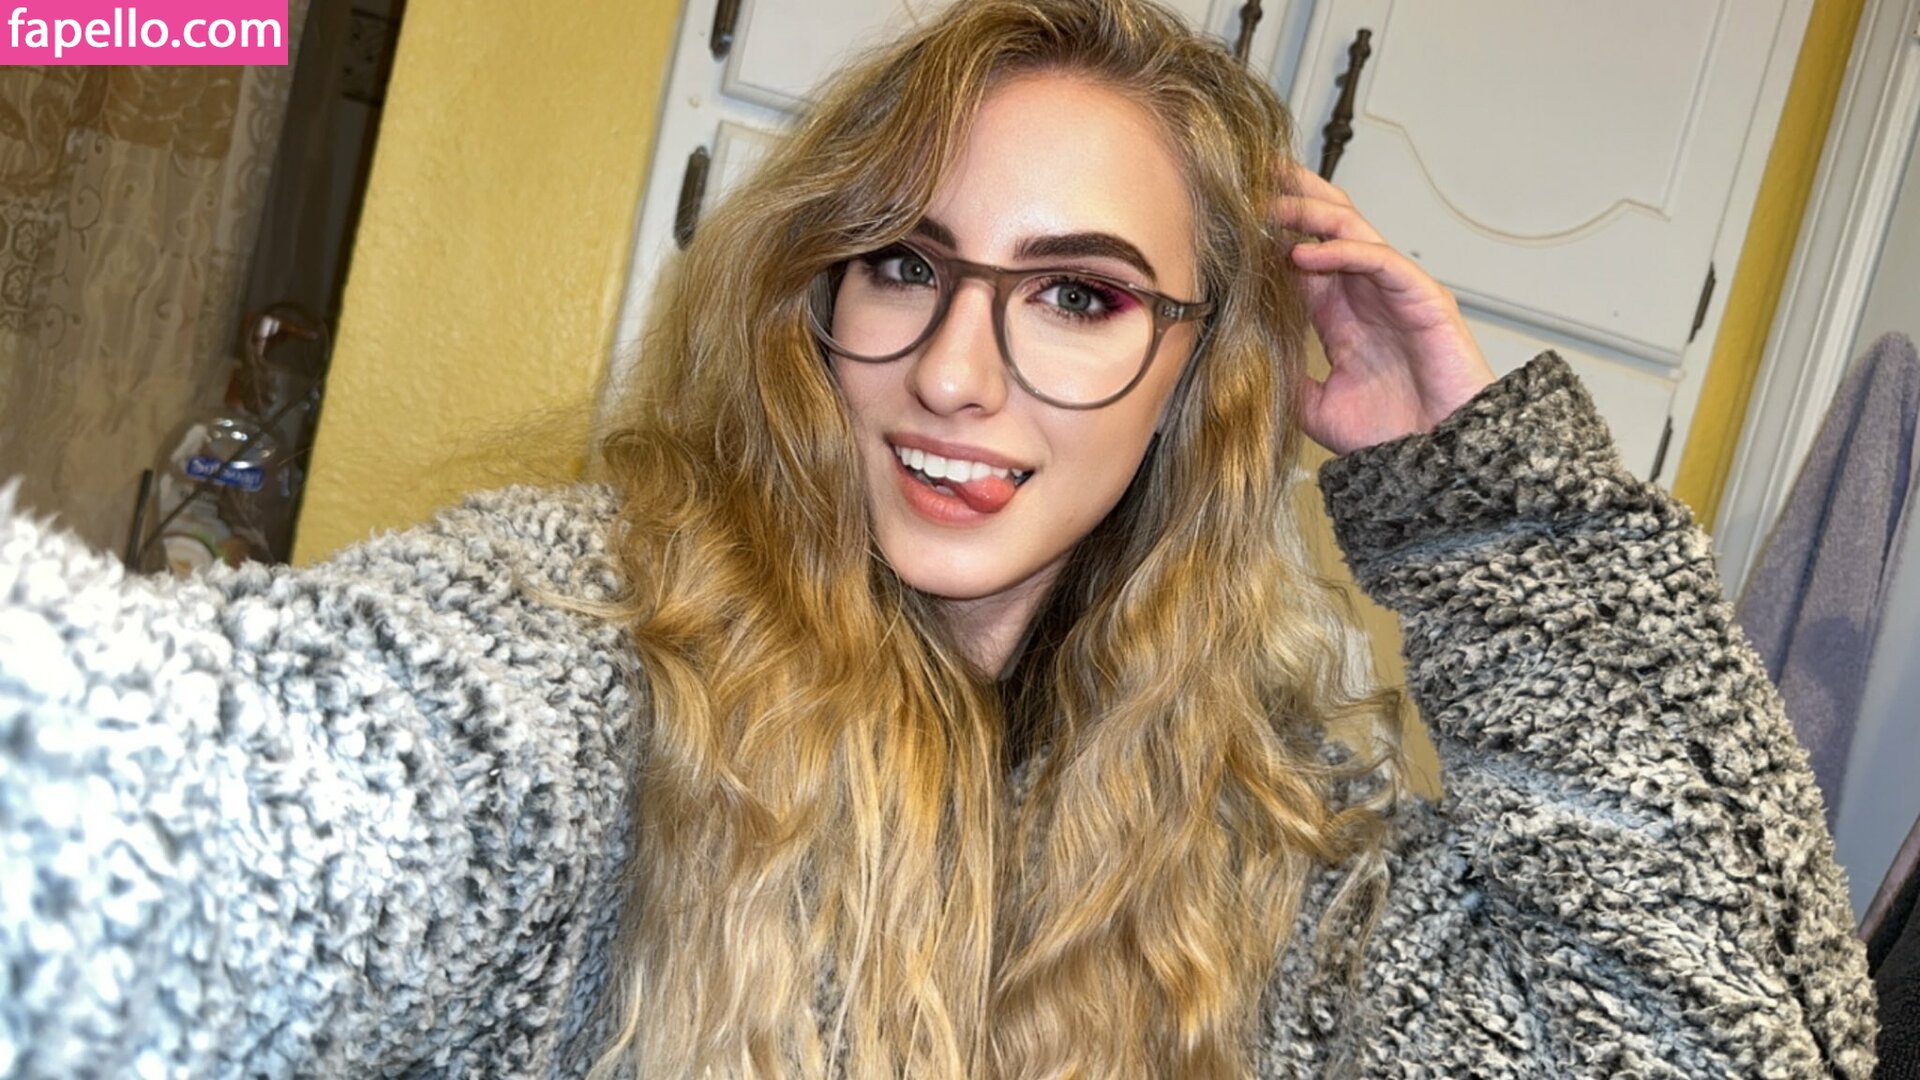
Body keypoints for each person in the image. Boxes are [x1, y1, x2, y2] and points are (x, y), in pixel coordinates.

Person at [0, 0, 1879, 1076]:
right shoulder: (598, 650)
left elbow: (1719, 1042)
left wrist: (1494, 514)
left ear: (1197, 372)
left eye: (1076, 295)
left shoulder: (1254, 849)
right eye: (903, 263)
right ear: (811, 296)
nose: (956, 374)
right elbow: (191, 804)